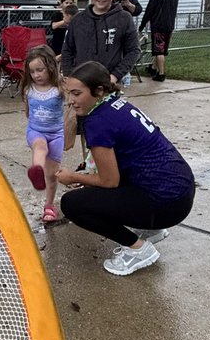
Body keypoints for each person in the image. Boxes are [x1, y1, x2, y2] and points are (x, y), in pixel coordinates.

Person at [55, 61, 195, 277]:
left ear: (99, 91)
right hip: (181, 190)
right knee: (103, 187)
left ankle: (138, 249)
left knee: (72, 204)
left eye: (76, 93)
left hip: (167, 202)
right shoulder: (118, 104)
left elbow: (109, 181)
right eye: (69, 94)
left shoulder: (98, 121)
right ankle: (152, 228)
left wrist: (72, 176)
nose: (71, 101)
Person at [61, 0, 141, 89]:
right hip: (81, 85)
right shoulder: (77, 20)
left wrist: (114, 76)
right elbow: (67, 50)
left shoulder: (124, 19)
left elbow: (133, 51)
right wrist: (68, 76)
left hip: (109, 86)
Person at [19, 44, 65, 224]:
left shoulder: (60, 88)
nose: (36, 75)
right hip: (36, 131)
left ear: (51, 68)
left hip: (57, 134)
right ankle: (35, 169)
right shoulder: (29, 88)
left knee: (52, 176)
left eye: (40, 70)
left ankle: (49, 206)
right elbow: (28, 111)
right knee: (40, 146)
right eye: (32, 71)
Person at [140, 0, 179, 82]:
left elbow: (149, 11)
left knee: (159, 51)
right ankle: (153, 68)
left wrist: (142, 25)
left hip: (159, 26)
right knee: (161, 49)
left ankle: (161, 74)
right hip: (170, 25)